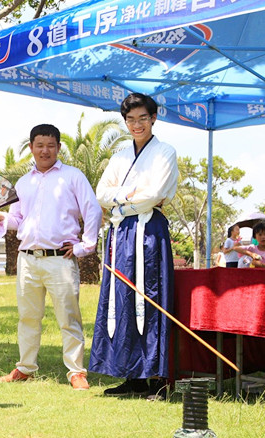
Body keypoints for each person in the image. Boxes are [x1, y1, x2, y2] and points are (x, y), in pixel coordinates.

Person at [0, 124, 102, 390]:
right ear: (31, 148)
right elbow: (17, 220)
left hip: (60, 259)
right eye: (39, 145)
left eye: (50, 145)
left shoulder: (73, 176)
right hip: (27, 259)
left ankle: (76, 372)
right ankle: (25, 368)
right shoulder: (24, 182)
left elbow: (92, 209)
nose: (45, 151)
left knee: (68, 317)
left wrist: (85, 246)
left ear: (59, 147)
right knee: (28, 317)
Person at [89, 93, 179, 400]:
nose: (136, 125)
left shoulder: (165, 152)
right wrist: (130, 197)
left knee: (150, 297)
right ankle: (131, 375)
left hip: (149, 231)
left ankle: (156, 378)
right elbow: (101, 193)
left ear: (153, 118)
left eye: (142, 118)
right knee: (122, 297)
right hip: (122, 232)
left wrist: (120, 199)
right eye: (130, 120)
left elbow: (154, 194)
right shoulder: (120, 156)